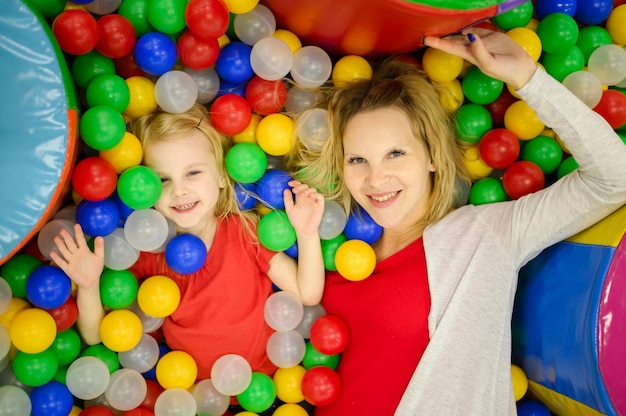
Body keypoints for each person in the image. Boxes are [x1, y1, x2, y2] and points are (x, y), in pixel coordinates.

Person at [289, 28, 626, 415]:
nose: (376, 179)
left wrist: (526, 78)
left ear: (432, 156)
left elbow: (613, 179)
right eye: (358, 160)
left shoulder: (482, 236)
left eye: (395, 153)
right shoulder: (332, 253)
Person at [51, 103, 326, 380]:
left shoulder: (244, 232)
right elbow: (97, 333)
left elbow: (308, 293)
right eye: (162, 179)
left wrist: (307, 233)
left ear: (221, 175)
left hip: (266, 383)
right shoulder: (147, 256)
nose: (179, 190)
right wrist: (88, 284)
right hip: (191, 398)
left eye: (193, 173)